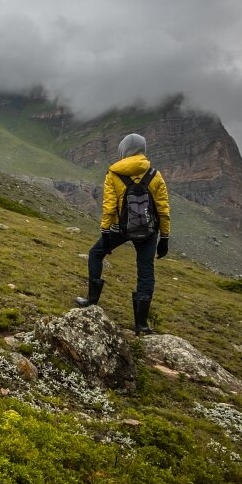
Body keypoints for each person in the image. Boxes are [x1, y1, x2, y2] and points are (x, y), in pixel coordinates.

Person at [74, 133, 170, 334]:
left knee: (96, 253)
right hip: (148, 231)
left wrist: (106, 230)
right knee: (145, 271)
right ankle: (141, 325)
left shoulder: (114, 173)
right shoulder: (155, 175)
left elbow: (109, 206)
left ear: (124, 149)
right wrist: (165, 237)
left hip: (120, 228)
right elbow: (162, 209)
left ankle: (91, 301)